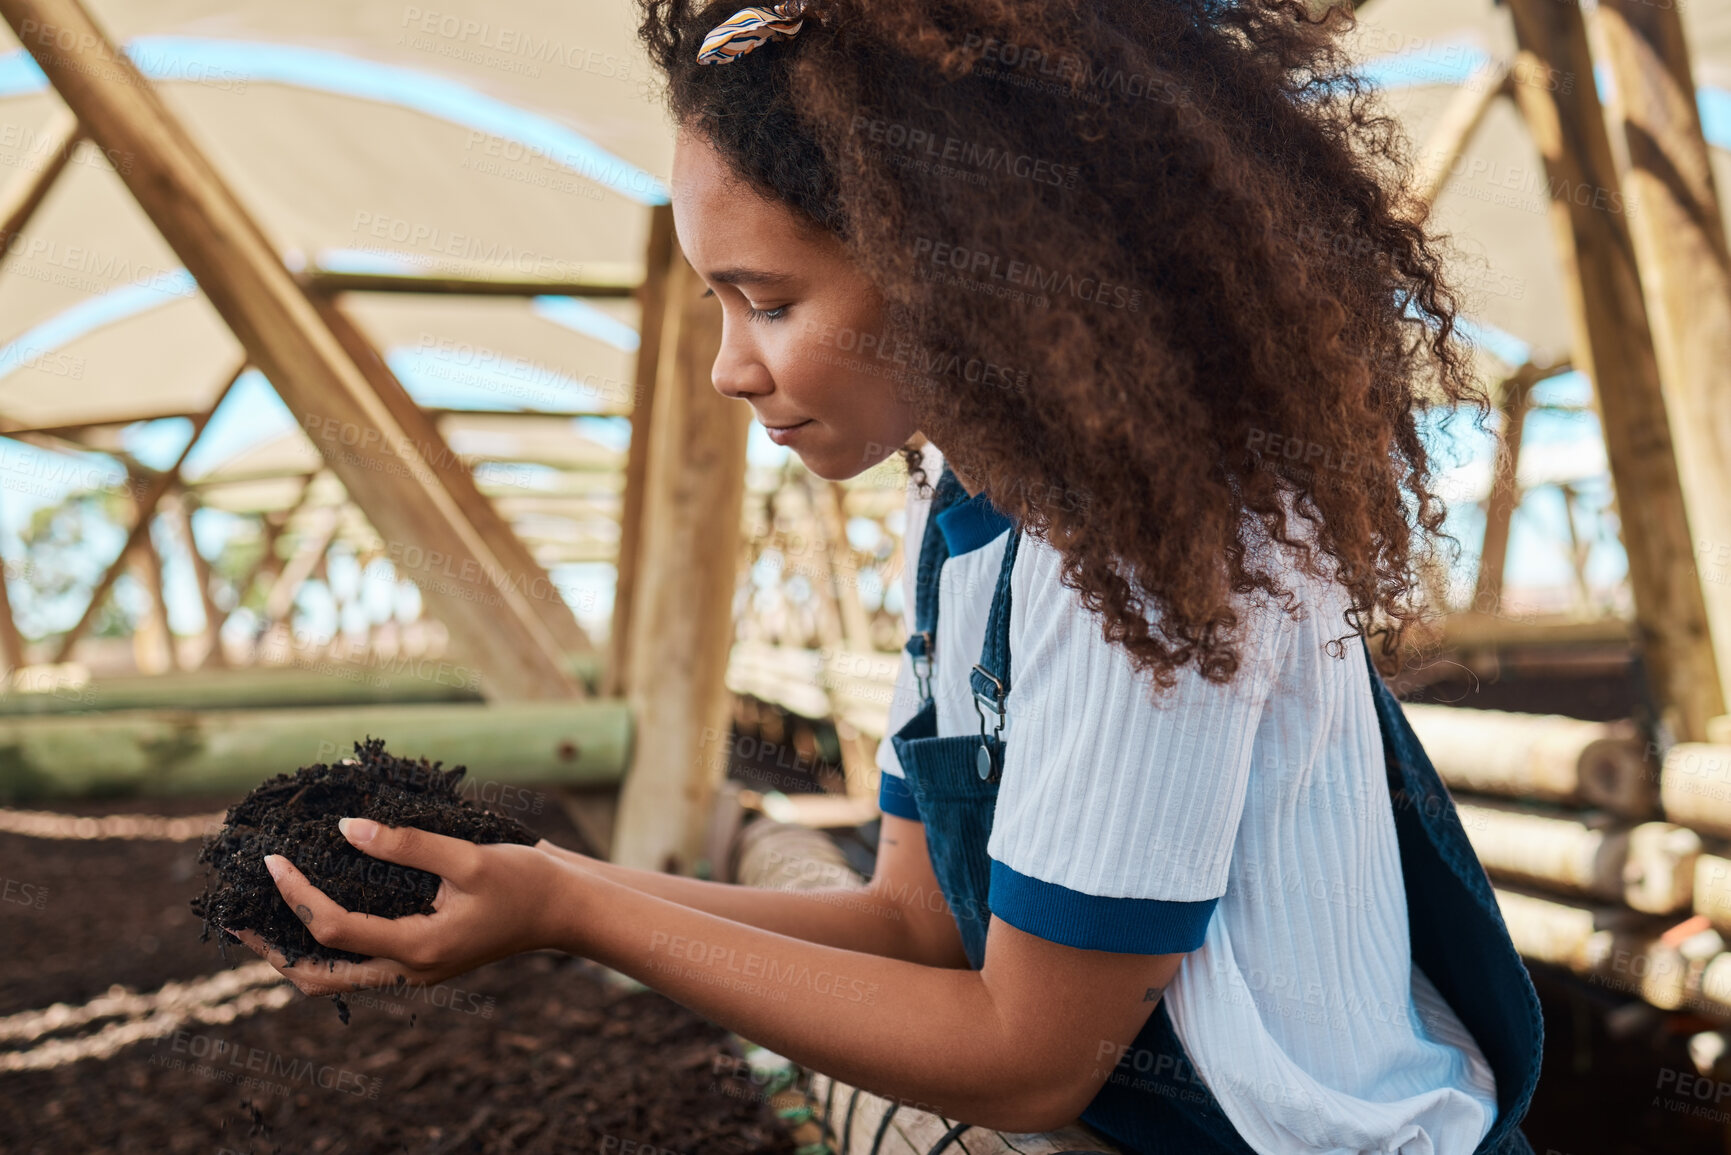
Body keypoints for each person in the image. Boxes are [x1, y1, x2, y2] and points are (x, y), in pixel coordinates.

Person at [233, 1, 1544, 1150]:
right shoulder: (961, 509)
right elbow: (915, 925)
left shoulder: (1144, 560)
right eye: (716, 305)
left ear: (965, 270)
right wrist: (522, 877)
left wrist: (577, 910)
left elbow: (1029, 1055)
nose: (728, 368)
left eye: (771, 301)